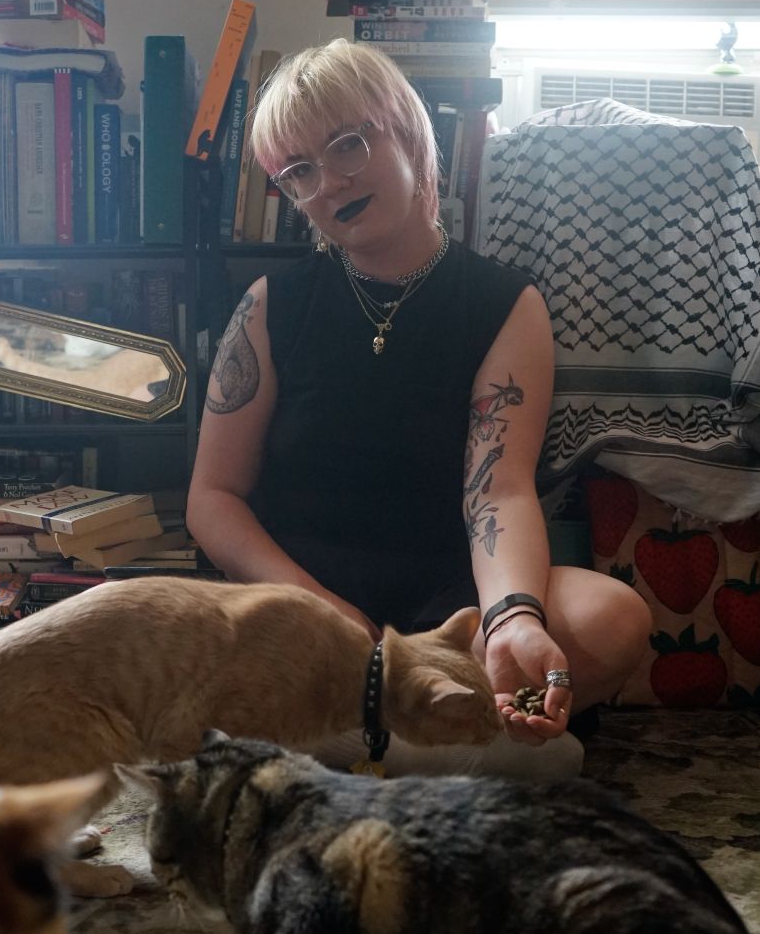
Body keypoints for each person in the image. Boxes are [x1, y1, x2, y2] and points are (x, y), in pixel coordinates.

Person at [186, 39, 651, 776]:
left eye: (348, 145)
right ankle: (442, 742)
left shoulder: (505, 302)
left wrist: (513, 617)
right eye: (299, 171)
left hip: (449, 603)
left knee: (613, 620)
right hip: (301, 593)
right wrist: (314, 608)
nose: (330, 182)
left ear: (404, 129)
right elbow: (213, 499)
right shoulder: (271, 306)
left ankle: (361, 737)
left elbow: (497, 489)